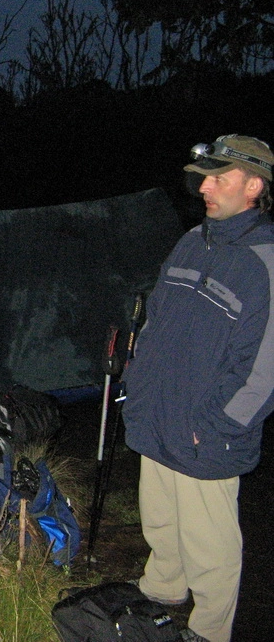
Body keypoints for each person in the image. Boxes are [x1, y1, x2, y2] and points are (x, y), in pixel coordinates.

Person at [122, 134, 274, 642]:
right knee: (161, 520)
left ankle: (209, 629)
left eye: (218, 178)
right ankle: (162, 590)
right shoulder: (192, 241)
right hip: (159, 411)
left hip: (205, 428)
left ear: (254, 186)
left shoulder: (265, 262)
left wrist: (215, 424)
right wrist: (137, 382)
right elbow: (156, 319)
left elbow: (264, 370)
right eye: (203, 178)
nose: (204, 188)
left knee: (209, 540)